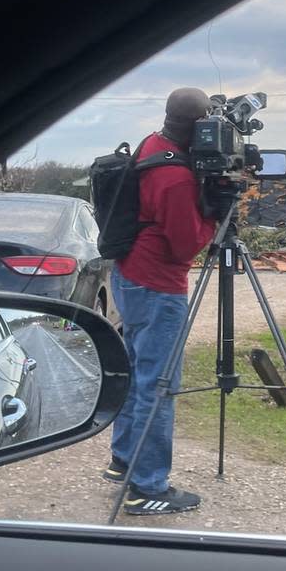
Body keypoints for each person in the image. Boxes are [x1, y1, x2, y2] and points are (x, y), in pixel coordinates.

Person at [103, 87, 217, 516]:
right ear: (198, 124)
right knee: (159, 385)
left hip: (130, 275)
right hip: (158, 284)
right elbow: (186, 245)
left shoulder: (154, 144)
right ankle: (147, 487)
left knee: (138, 374)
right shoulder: (176, 177)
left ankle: (123, 461)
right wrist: (214, 213)